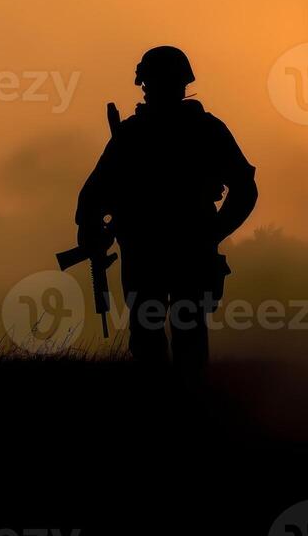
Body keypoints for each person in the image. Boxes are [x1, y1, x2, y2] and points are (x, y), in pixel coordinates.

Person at [74, 46, 257, 370]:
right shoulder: (199, 130)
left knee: (163, 338)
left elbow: (245, 189)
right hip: (168, 250)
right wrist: (213, 233)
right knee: (171, 338)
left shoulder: (141, 133)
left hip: (159, 250)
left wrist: (213, 232)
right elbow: (93, 195)